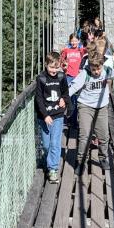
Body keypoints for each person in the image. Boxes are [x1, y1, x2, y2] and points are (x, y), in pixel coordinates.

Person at [70, 52, 114, 172]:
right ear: (89, 66)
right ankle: (81, 161)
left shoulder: (106, 71)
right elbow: (74, 87)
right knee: (84, 136)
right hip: (85, 106)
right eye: (93, 69)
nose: (96, 72)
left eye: (99, 69)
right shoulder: (85, 74)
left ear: (102, 65)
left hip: (101, 107)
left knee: (103, 136)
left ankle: (103, 157)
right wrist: (63, 98)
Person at [35, 51, 70, 183]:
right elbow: (39, 99)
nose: (54, 70)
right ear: (46, 65)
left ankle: (53, 169)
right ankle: (48, 159)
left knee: (55, 143)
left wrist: (64, 100)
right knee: (46, 145)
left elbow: (66, 93)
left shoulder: (61, 77)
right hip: (44, 116)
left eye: (56, 67)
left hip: (58, 115)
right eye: (51, 67)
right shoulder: (41, 78)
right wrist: (45, 116)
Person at [60, 34, 84, 111]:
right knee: (67, 95)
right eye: (72, 41)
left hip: (78, 76)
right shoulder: (66, 50)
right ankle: (69, 112)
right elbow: (61, 61)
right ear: (70, 41)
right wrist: (63, 67)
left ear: (79, 41)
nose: (74, 43)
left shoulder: (81, 51)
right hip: (69, 76)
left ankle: (76, 113)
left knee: (78, 96)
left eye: (75, 41)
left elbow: (91, 51)